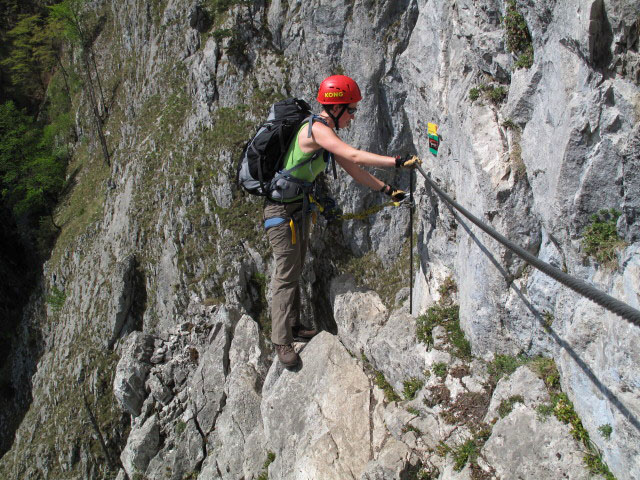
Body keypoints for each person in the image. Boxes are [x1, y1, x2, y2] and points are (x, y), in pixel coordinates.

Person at [264, 74, 419, 367]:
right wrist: (397, 161)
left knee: (294, 269)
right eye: (351, 110)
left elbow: (353, 168)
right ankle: (281, 340)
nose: (353, 116)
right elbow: (354, 155)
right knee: (285, 274)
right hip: (281, 214)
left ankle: (293, 325)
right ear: (335, 108)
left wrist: (388, 190)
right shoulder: (317, 130)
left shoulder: (325, 134)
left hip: (296, 210)